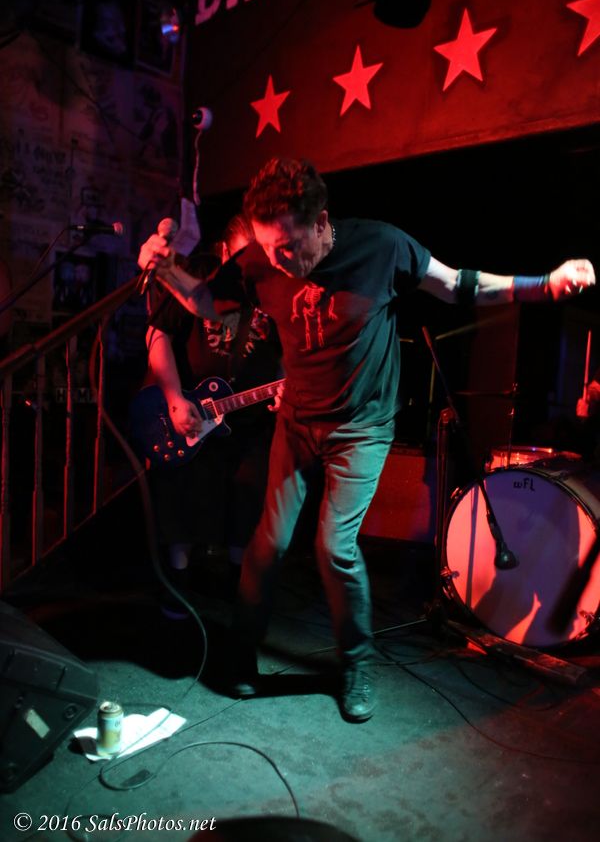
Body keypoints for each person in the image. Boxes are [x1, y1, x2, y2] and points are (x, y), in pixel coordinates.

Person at [138, 157, 595, 720]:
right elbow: (207, 301)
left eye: (290, 248)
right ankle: (240, 655)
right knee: (267, 544)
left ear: (320, 222)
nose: (279, 262)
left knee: (335, 547)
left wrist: (544, 285)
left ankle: (357, 663)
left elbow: (459, 285)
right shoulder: (259, 260)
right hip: (297, 423)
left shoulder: (381, 247)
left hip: (361, 428)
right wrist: (166, 270)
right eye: (270, 249)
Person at [142, 214, 282, 617]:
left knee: (250, 497)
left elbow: (286, 359)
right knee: (183, 491)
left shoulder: (276, 289)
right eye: (242, 258)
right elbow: (158, 334)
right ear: (224, 252)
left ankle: (237, 584)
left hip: (250, 420)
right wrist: (174, 398)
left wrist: (284, 390)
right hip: (192, 412)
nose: (250, 270)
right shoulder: (202, 276)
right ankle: (178, 581)